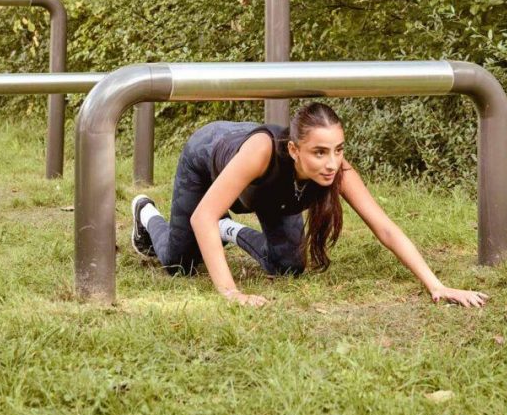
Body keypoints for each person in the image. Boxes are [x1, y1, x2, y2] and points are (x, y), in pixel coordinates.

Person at [131, 102, 488, 309]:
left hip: (267, 194)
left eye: (338, 149)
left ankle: (228, 229)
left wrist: (436, 285)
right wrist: (231, 293)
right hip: (208, 157)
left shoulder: (337, 171)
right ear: (294, 150)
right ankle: (146, 213)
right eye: (320, 152)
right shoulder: (263, 152)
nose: (332, 163)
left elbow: (385, 227)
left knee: (288, 266)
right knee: (181, 265)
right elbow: (202, 215)